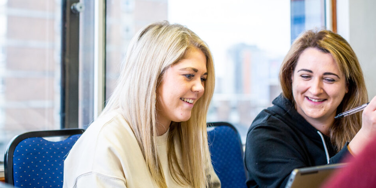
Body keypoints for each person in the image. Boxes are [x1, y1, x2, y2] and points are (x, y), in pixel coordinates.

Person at [63, 21, 221, 188]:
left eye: (203, 78)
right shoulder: (105, 144)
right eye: (189, 75)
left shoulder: (188, 136)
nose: (200, 88)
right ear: (152, 76)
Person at [244, 29, 376, 188]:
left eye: (329, 79)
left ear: (348, 85)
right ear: (291, 76)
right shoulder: (265, 132)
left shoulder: (358, 123)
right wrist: (364, 139)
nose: (315, 89)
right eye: (306, 76)